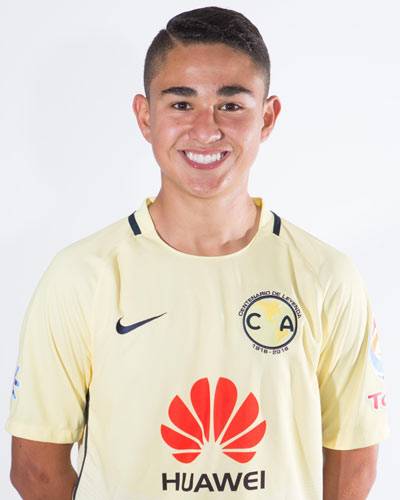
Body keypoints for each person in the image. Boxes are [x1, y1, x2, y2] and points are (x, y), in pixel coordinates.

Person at [6, 6, 389, 500]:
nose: (206, 130)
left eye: (231, 105)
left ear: (267, 117)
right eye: (181, 104)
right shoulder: (81, 275)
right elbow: (35, 468)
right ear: (146, 116)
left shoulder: (327, 276)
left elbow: (353, 465)